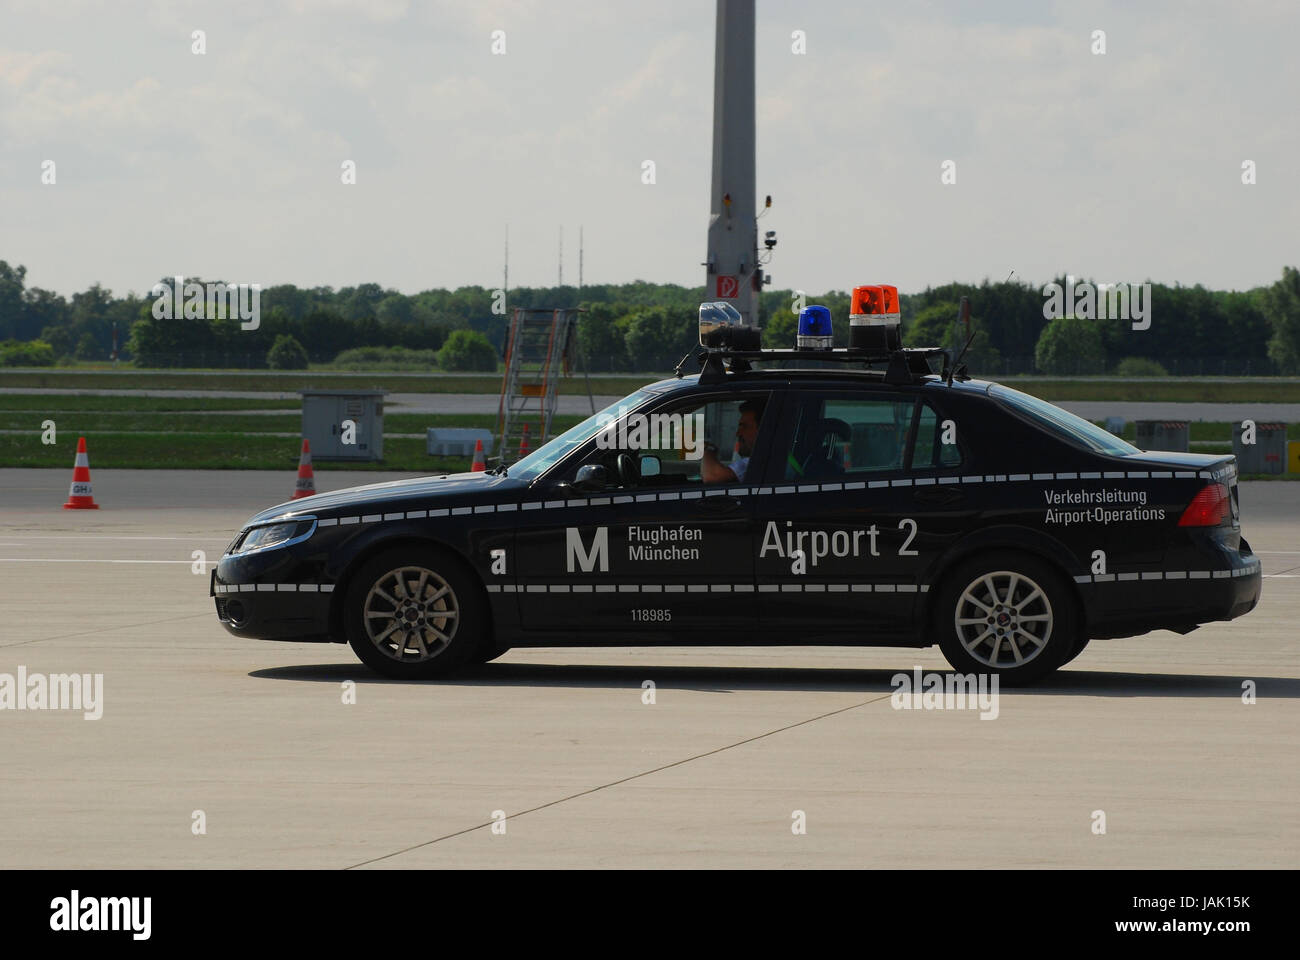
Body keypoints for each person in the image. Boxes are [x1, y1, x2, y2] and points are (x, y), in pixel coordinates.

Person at [702, 399, 763, 483]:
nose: (738, 433)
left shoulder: (758, 462)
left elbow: (713, 476)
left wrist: (708, 449)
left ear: (762, 430)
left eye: (744, 426)